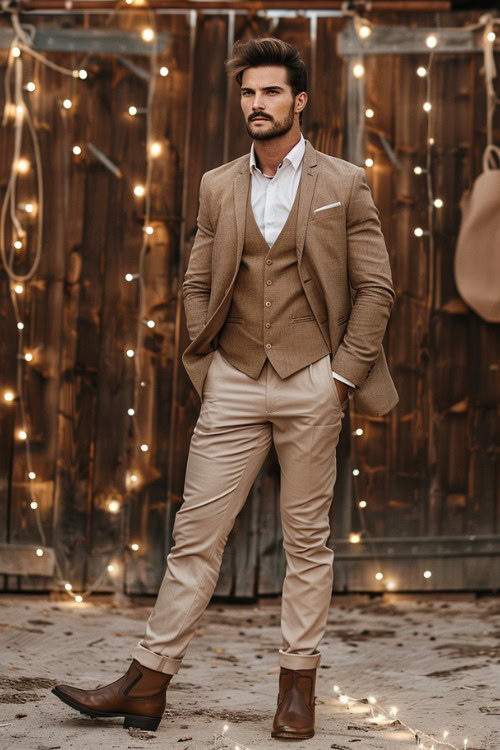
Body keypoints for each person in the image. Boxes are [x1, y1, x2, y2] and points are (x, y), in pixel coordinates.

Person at [52, 37, 398, 740]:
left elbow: (376, 288)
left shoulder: (344, 182)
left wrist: (339, 378)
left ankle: (296, 689)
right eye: (248, 93)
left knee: (307, 544)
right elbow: (196, 282)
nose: (257, 104)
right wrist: (208, 370)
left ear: (298, 101)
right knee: (194, 540)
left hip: (312, 381)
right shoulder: (218, 184)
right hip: (234, 381)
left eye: (271, 92)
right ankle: (146, 684)